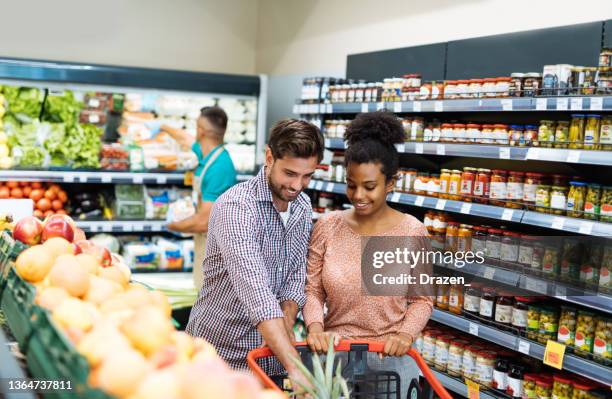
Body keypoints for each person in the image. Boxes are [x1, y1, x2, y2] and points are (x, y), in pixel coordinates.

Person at [303, 112, 433, 397]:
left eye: (369, 186)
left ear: (390, 183)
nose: (358, 195)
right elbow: (312, 290)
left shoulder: (413, 231)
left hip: (389, 361)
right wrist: (314, 327)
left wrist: (405, 335)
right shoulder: (327, 226)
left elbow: (422, 300)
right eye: (351, 184)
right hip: (333, 359)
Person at [185, 119, 325, 382]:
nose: (298, 186)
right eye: (290, 174)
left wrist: (285, 324)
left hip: (272, 358)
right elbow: (255, 290)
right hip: (219, 355)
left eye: (307, 176)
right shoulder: (236, 207)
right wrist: (295, 366)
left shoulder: (302, 206)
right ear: (270, 157)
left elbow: (295, 275)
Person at [162, 106, 237, 289]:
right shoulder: (207, 154)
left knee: (208, 296)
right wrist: (162, 126)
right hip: (204, 240)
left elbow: (204, 221)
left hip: (215, 246)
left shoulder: (219, 167)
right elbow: (184, 138)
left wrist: (171, 225)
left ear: (201, 131)